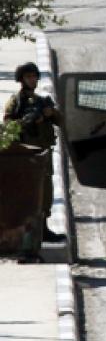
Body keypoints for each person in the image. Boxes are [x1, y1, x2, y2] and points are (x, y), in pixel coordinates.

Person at [2, 62, 64, 245]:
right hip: (24, 157)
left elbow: (61, 121)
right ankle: (24, 233)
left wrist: (50, 114)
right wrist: (26, 122)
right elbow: (8, 126)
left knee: (45, 192)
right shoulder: (15, 102)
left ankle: (43, 229)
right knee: (25, 195)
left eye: (35, 76)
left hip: (42, 155)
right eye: (28, 77)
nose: (33, 80)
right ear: (21, 79)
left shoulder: (42, 101)